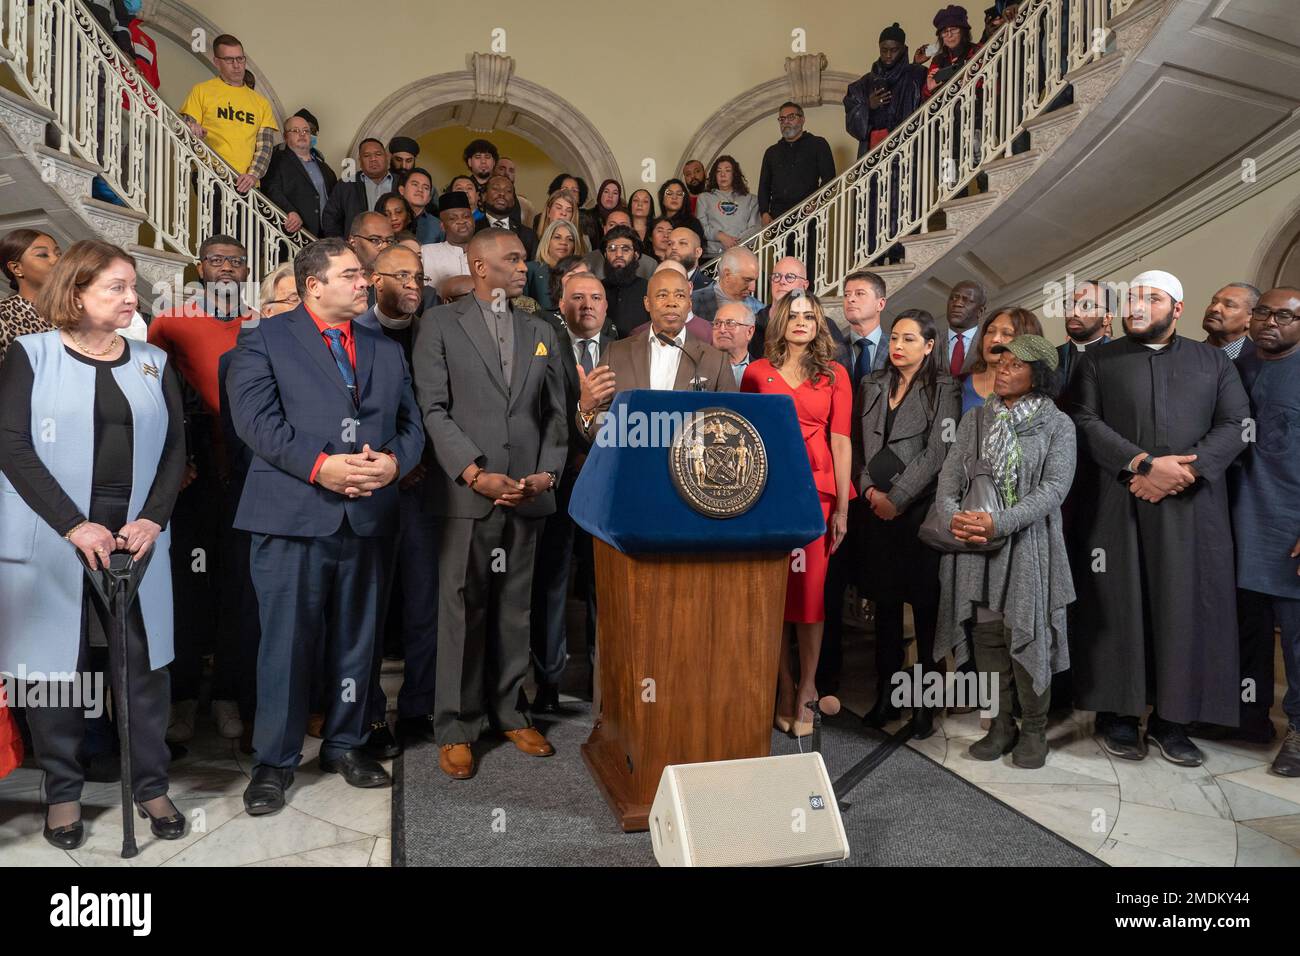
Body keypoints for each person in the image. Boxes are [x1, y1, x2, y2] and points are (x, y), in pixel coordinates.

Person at [227, 238, 425, 814]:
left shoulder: (384, 347)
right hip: (292, 515)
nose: (366, 283)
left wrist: (391, 464)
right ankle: (275, 760)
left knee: (358, 641)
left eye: (364, 275)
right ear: (314, 285)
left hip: (368, 516)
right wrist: (323, 467)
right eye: (352, 275)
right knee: (286, 644)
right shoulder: (263, 337)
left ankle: (346, 742)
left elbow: (410, 425)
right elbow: (256, 423)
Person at [0, 240, 187, 848]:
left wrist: (153, 520)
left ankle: (151, 785)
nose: (132, 297)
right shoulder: (31, 355)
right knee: (56, 671)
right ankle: (62, 795)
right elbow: (13, 447)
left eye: (132, 286)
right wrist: (72, 524)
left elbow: (176, 451)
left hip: (135, 540)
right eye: (116, 287)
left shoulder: (154, 361)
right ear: (76, 292)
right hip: (55, 533)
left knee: (142, 667)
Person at [1069, 270, 1250, 766]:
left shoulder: (1212, 361)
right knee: (1118, 606)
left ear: (1177, 309)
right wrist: (1142, 466)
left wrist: (1182, 473)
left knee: (1184, 607)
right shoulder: (1098, 360)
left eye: (1152, 298)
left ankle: (1175, 720)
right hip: (1118, 501)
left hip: (1191, 507)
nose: (1139, 305)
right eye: (1133, 298)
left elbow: (1237, 424)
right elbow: (1084, 421)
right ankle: (1119, 715)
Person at [411, 229, 568, 780]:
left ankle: (508, 710)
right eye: (512, 258)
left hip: (527, 491)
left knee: (515, 605)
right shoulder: (438, 325)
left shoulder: (540, 329)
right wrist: (474, 473)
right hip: (467, 491)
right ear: (479, 266)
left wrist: (548, 470)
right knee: (462, 606)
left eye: (524, 258)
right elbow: (432, 409)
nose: (524, 266)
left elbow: (555, 413)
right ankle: (455, 725)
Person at [935, 335, 1076, 768]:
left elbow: (1054, 489)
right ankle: (1000, 724)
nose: (1003, 370)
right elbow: (948, 479)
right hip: (974, 544)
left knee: (1024, 631)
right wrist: (954, 518)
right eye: (1001, 362)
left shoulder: (1058, 425)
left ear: (1040, 375)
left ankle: (1033, 728)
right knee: (987, 637)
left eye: (1016, 365)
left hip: (1028, 545)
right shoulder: (976, 420)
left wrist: (1002, 522)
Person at [148, 234, 253, 743]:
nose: (227, 269)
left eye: (236, 261)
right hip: (192, 475)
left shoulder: (261, 321)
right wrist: (177, 461)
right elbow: (156, 399)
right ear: (200, 268)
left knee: (239, 585)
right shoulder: (170, 320)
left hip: (249, 474)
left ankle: (229, 693)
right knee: (189, 586)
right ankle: (184, 697)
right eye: (217, 260)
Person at [743, 294, 853, 736]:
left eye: (811, 316)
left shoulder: (835, 374)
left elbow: (842, 441)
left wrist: (843, 507)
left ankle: (808, 688)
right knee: (772, 596)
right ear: (780, 321)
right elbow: (745, 437)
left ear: (818, 324)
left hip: (817, 494)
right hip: (767, 493)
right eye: (795, 315)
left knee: (808, 596)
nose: (802, 322)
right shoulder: (756, 373)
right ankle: (783, 688)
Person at [855, 309, 960, 739]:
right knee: (884, 606)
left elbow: (939, 452)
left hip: (917, 512)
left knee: (926, 610)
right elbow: (858, 442)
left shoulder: (945, 388)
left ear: (930, 346)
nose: (898, 346)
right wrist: (869, 492)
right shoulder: (873, 383)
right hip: (875, 511)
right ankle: (886, 693)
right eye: (895, 338)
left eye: (910, 340)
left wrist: (898, 499)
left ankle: (925, 704)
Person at [354, 246, 440, 750]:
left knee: (424, 606)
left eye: (419, 276)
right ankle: (369, 716)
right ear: (372, 279)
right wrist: (391, 464)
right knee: (368, 609)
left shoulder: (435, 330)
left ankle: (417, 707)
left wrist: (414, 463)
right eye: (402, 274)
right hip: (369, 486)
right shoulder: (355, 333)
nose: (413, 284)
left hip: (427, 488)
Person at [1212, 287, 1300, 776]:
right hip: (1239, 524)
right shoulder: (1234, 369)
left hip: (1290, 527)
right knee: (1246, 632)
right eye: (1264, 311)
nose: (1272, 322)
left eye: (1285, 316)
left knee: (1297, 640)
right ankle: (1249, 719)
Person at [529, 273, 613, 712]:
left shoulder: (626, 348)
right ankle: (547, 682)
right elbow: (536, 412)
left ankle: (604, 685)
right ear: (561, 303)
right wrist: (580, 413)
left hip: (610, 491)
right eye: (576, 296)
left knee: (606, 588)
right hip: (559, 485)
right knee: (552, 584)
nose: (586, 305)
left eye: (595, 296)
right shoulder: (544, 345)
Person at [579, 268, 738, 442]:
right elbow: (599, 421)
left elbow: (728, 423)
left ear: (689, 304)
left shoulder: (715, 360)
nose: (672, 302)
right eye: (662, 295)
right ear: (647, 303)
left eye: (680, 296)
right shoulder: (616, 354)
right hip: (631, 461)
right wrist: (586, 409)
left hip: (689, 464)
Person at [178, 34, 276, 196]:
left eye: (240, 59)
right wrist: (191, 127)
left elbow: (265, 146)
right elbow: (184, 125)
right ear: (217, 62)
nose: (237, 65)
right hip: (210, 173)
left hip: (247, 182)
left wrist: (253, 175)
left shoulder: (261, 103)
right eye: (230, 60)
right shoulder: (202, 91)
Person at [845, 22, 927, 159]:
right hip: (873, 158)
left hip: (907, 155)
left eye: (894, 50)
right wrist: (868, 106)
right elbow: (853, 126)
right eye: (884, 50)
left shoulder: (917, 75)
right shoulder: (862, 84)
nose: (888, 55)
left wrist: (914, 66)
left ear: (903, 49)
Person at [757, 102, 836, 229]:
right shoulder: (771, 152)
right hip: (778, 219)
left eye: (791, 117)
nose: (786, 122)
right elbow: (764, 186)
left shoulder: (818, 144)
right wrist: (764, 213)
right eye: (782, 119)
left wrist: (816, 202)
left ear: (802, 119)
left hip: (809, 215)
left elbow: (829, 178)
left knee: (808, 249)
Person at [261, 113, 338, 237]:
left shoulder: (325, 167)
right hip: (294, 232)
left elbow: (334, 200)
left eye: (306, 131)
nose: (302, 134)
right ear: (286, 136)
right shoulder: (276, 159)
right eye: (295, 130)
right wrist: (289, 211)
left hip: (325, 235)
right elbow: (271, 189)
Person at [961, 307, 1042, 414]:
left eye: (1007, 334)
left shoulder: (1038, 398)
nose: (994, 339)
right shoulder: (958, 384)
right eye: (990, 331)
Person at [0, 230, 60, 364]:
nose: (56, 260)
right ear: (16, 268)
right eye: (43, 255)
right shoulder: (3, 315)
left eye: (58, 253)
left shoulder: (78, 309)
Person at [321, 139, 393, 238]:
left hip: (395, 247)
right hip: (357, 249)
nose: (373, 159)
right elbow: (330, 218)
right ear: (360, 161)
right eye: (367, 156)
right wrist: (341, 245)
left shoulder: (401, 183)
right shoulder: (346, 185)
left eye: (378, 154)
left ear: (386, 157)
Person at [696, 156, 760, 257]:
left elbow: (755, 228)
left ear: (734, 174)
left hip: (742, 255)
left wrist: (735, 243)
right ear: (714, 175)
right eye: (718, 171)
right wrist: (720, 236)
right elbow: (701, 227)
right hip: (712, 256)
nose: (722, 174)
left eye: (727, 170)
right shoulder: (704, 198)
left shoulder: (751, 199)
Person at [1057, 279, 1114, 387]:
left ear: (1106, 318)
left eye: (1086, 306)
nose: (1074, 312)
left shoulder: (1119, 358)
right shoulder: (1050, 360)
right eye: (1070, 305)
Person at [600, 225, 651, 338]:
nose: (618, 254)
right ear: (605, 255)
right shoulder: (596, 289)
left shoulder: (649, 289)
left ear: (636, 255)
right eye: (612, 249)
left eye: (625, 249)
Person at [691, 245, 764, 323]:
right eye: (747, 280)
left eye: (754, 280)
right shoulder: (692, 303)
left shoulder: (758, 309)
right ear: (727, 275)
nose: (753, 288)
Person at [475, 175, 538, 259]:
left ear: (513, 201)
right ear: (484, 196)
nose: (502, 193)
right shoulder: (473, 230)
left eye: (508, 191)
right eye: (496, 189)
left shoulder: (528, 235)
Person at [526, 219, 582, 313]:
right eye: (557, 237)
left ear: (574, 246)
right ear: (547, 241)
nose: (563, 242)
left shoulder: (580, 274)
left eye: (570, 239)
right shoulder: (531, 269)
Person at [924, 6, 980, 98]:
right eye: (945, 31)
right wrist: (930, 89)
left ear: (963, 31)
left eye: (954, 29)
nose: (949, 35)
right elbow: (927, 98)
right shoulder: (938, 60)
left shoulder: (977, 51)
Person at [941, 279, 986, 377]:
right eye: (953, 298)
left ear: (980, 311)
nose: (957, 303)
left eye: (966, 300)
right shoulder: (930, 342)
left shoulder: (988, 344)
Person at [1202, 282, 1258, 360]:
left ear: (1250, 320)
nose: (1214, 308)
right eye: (1213, 302)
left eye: (1229, 305)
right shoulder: (1187, 353)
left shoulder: (1260, 363)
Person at [713, 300, 756, 385]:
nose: (722, 330)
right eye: (717, 323)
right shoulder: (699, 367)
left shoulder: (762, 372)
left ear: (749, 332)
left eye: (730, 324)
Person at [397, 168, 443, 245]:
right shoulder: (390, 219)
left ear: (429, 198)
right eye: (415, 184)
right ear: (402, 190)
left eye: (426, 188)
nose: (420, 190)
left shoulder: (438, 226)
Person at [658, 179, 705, 246]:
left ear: (684, 199)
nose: (674, 197)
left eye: (679, 194)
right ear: (662, 198)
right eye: (669, 193)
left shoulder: (693, 224)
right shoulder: (656, 224)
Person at [494, 157, 535, 230]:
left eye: (511, 170)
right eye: (501, 169)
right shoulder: (481, 199)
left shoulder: (526, 206)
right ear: (493, 171)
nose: (506, 173)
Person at [463, 138, 500, 203]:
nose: (483, 161)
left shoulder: (503, 189)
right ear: (469, 162)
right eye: (478, 157)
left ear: (494, 162)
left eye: (487, 157)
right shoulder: (460, 189)